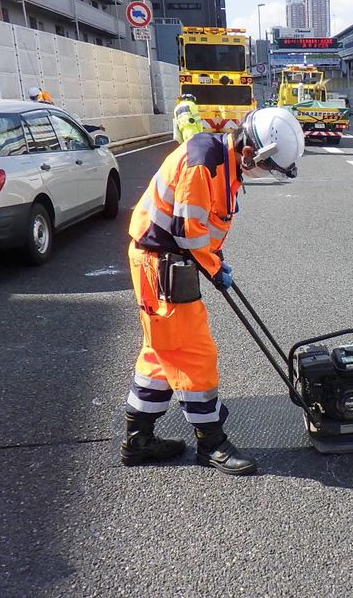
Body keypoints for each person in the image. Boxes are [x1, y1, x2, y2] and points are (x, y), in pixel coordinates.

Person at [120, 108, 305, 475]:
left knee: (161, 353)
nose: (264, 174)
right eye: (267, 167)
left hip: (169, 260)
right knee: (193, 353)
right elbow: (189, 232)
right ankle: (212, 443)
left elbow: (204, 226)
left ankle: (138, 440)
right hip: (161, 265)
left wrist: (215, 260)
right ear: (252, 151)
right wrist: (217, 269)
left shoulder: (226, 162)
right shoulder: (203, 162)